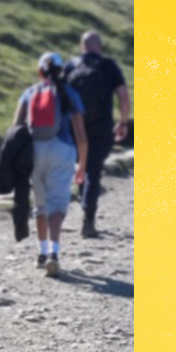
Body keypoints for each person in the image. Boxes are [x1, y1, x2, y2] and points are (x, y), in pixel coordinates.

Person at [12, 52, 87, 277]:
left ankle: (42, 253)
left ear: (40, 71)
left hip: (35, 150)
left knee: (41, 204)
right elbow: (81, 136)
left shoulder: (29, 93)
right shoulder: (70, 94)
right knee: (57, 206)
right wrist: (81, 165)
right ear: (62, 71)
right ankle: (54, 253)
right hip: (62, 151)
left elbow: (16, 128)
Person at [65, 30, 133, 238]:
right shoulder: (109, 66)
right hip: (102, 127)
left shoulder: (71, 66)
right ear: (100, 47)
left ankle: (70, 208)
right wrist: (122, 122)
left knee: (82, 167)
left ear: (81, 46)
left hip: (75, 127)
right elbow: (123, 97)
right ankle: (88, 219)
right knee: (93, 170)